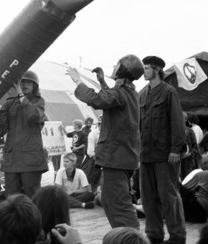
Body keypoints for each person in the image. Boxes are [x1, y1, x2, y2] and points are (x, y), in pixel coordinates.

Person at [66, 54, 143, 229]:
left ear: (122, 70)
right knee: (110, 199)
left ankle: (130, 238)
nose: (114, 66)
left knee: (117, 202)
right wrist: (101, 81)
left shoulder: (120, 93)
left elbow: (97, 99)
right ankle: (125, 235)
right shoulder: (130, 93)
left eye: (117, 64)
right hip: (123, 157)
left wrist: (78, 81)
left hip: (115, 158)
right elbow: (111, 98)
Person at [0, 70, 48, 198]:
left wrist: (20, 96)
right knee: (12, 197)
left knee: (33, 196)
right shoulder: (9, 103)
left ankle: (35, 218)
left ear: (34, 85)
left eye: (28, 82)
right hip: (12, 159)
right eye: (21, 82)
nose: (24, 85)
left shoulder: (39, 102)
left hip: (31, 159)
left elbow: (34, 116)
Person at [139, 55, 186, 244]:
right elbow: (137, 127)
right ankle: (154, 235)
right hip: (146, 155)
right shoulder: (141, 94)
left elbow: (177, 121)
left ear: (157, 70)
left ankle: (177, 236)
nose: (144, 70)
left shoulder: (169, 92)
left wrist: (176, 149)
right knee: (148, 199)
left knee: (169, 197)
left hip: (165, 155)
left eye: (147, 68)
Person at [181, 151, 208, 223]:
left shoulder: (203, 174)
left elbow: (185, 188)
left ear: (207, 163)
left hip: (198, 211)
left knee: (175, 185)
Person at [83, 115, 102, 194]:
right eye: (100, 124)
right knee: (91, 180)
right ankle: (91, 195)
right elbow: (90, 151)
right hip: (95, 160)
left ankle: (97, 195)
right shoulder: (93, 134)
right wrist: (99, 162)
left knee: (100, 181)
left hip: (106, 161)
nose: (101, 125)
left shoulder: (110, 133)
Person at [181, 112, 200, 180]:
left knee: (187, 180)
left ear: (185, 119)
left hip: (188, 161)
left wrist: (189, 154)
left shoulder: (190, 132)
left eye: (182, 118)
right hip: (175, 160)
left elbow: (195, 147)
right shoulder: (171, 131)